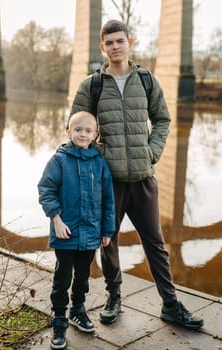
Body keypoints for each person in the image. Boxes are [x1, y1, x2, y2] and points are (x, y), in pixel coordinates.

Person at [69, 19, 204, 330]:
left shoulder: (147, 80)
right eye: (110, 43)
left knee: (155, 242)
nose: (116, 46)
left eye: (120, 41)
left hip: (143, 178)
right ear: (102, 47)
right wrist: (101, 156)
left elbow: (162, 120)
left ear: (130, 43)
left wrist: (152, 152)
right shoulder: (92, 85)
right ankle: (114, 297)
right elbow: (77, 128)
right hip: (109, 181)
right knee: (109, 241)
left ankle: (170, 304)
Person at [38, 111, 115, 349]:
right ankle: (60, 319)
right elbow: (46, 190)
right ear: (69, 132)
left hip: (91, 233)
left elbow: (108, 200)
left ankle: (78, 310)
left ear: (95, 135)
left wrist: (107, 230)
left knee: (82, 277)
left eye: (88, 131)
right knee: (62, 279)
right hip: (66, 233)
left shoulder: (99, 163)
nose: (83, 134)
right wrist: (56, 220)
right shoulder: (59, 160)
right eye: (78, 130)